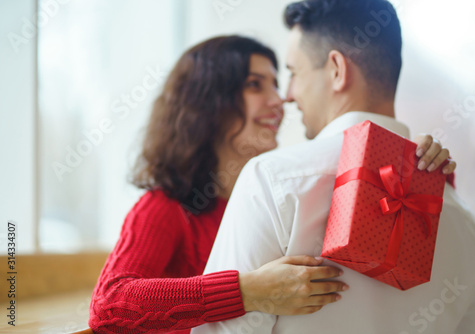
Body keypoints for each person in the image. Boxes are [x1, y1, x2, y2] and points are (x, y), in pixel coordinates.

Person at [88, 36, 456, 333]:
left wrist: (425, 167)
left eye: (278, 84)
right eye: (254, 85)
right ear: (207, 103)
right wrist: (247, 292)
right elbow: (109, 307)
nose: (279, 100)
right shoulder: (165, 207)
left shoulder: (277, 193)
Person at [193, 1, 475, 334]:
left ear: (337, 69)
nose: (289, 96)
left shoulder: (272, 179)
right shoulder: (464, 221)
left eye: (294, 73)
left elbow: (223, 331)